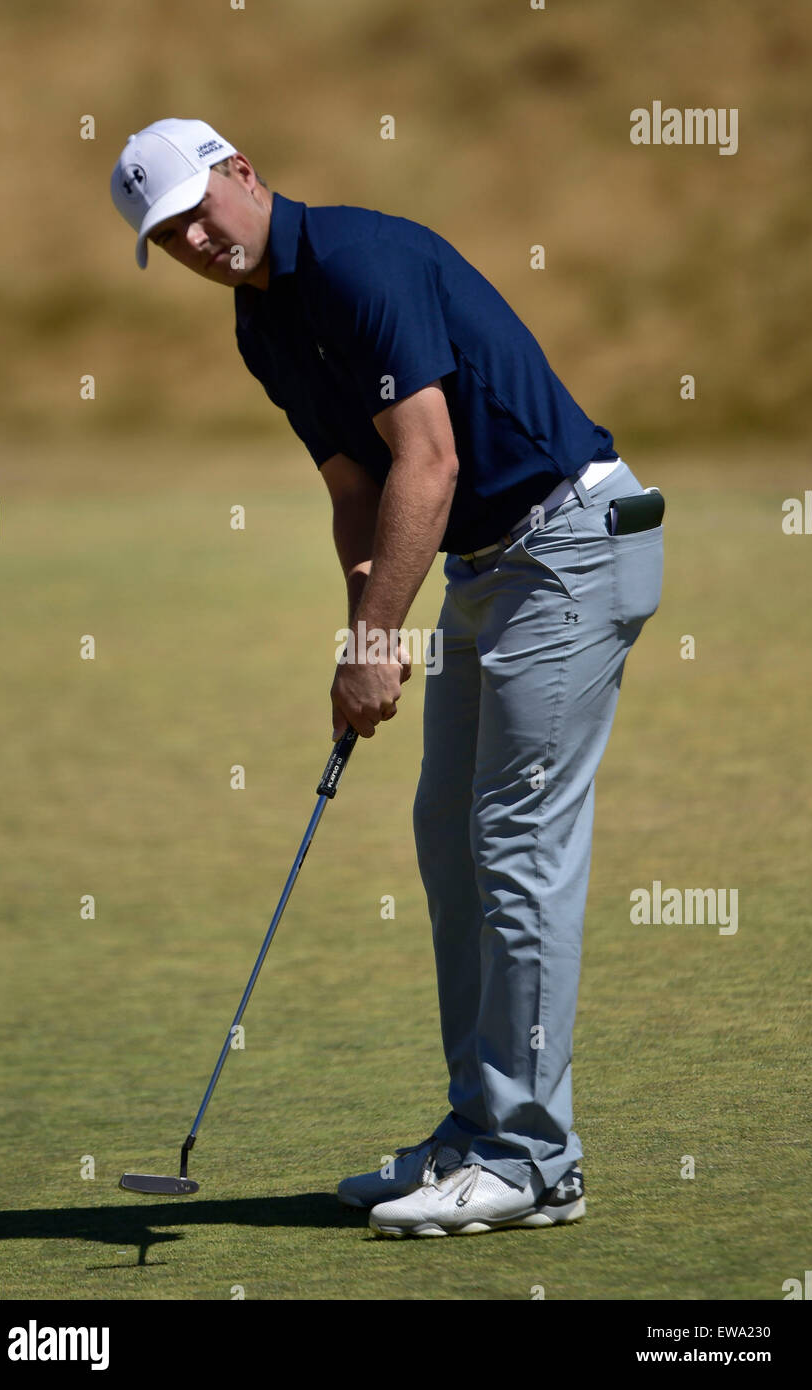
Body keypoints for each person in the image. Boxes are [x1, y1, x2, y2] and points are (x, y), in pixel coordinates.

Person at [111, 117, 664, 1239]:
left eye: (195, 211)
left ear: (242, 175)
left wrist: (374, 643)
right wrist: (363, 618)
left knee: (513, 843)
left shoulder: (358, 260)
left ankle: (529, 1157)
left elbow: (432, 455)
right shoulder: (261, 323)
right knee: (448, 838)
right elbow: (356, 485)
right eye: (165, 236)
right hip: (488, 564)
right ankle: (479, 1127)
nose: (193, 242)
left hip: (568, 545)